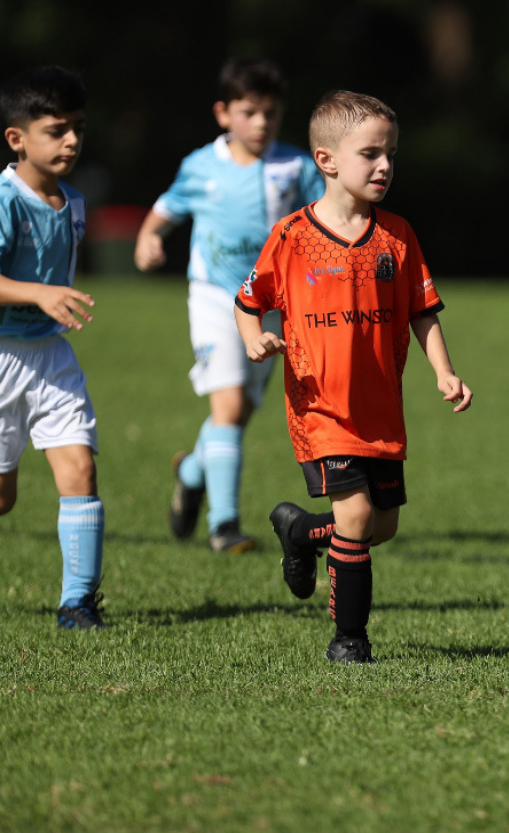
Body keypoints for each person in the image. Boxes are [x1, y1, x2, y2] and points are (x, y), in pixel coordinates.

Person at [235, 91, 471, 664]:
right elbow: (248, 300)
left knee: (378, 527)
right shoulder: (292, 237)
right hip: (320, 410)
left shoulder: (398, 236)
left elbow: (422, 311)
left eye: (390, 153)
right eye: (371, 153)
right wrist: (253, 339)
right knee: (357, 517)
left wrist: (445, 370)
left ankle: (299, 534)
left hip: (380, 410)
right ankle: (349, 640)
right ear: (327, 160)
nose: (385, 165)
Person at [135, 58, 324, 553]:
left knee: (235, 417)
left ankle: (192, 471)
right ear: (223, 113)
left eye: (271, 113)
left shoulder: (298, 168)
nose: (261, 123)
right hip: (216, 298)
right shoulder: (201, 166)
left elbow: (321, 227)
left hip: (273, 307)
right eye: (248, 112)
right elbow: (163, 212)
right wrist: (148, 240)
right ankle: (225, 526)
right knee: (230, 404)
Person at [0, 66, 107, 629]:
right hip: (0, 360)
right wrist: (38, 292)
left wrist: (49, 302)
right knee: (3, 500)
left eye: (78, 128)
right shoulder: (5, 200)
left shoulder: (75, 202)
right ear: (17, 138)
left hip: (52, 359)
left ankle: (78, 603)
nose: (71, 141)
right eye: (56, 130)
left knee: (79, 470)